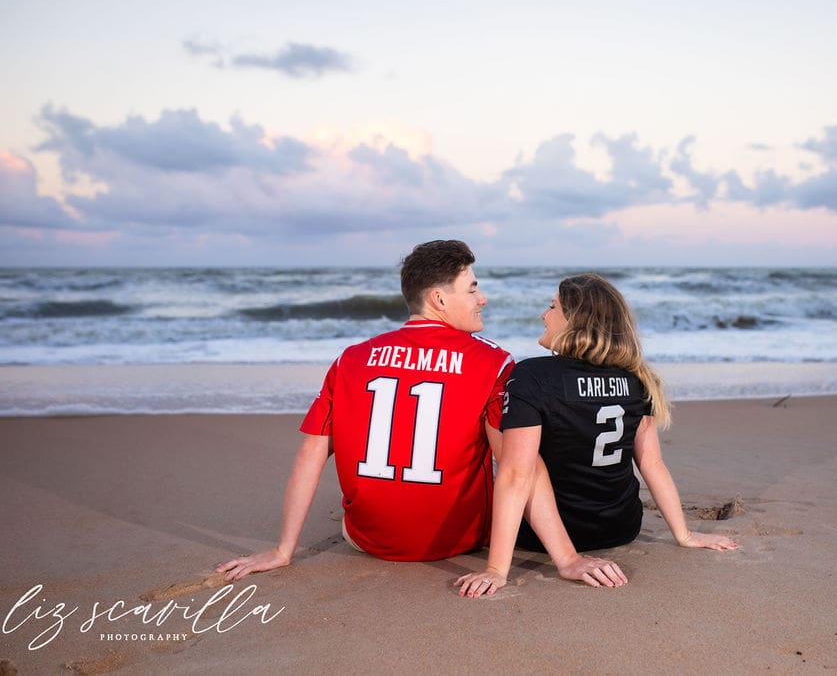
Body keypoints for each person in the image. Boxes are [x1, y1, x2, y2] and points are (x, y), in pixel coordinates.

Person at [218, 242, 624, 587]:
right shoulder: (493, 362)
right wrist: (567, 558)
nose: (482, 298)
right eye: (473, 288)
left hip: (366, 541)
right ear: (439, 299)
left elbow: (311, 454)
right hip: (460, 542)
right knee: (518, 453)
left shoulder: (351, 359)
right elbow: (520, 468)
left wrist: (283, 549)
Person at [457, 273, 738, 598]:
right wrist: (684, 534)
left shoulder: (532, 376)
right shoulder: (637, 380)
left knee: (502, 443)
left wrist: (496, 569)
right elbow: (652, 464)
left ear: (576, 321)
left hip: (537, 536)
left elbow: (519, 473)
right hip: (620, 528)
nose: (543, 315)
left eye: (552, 307)